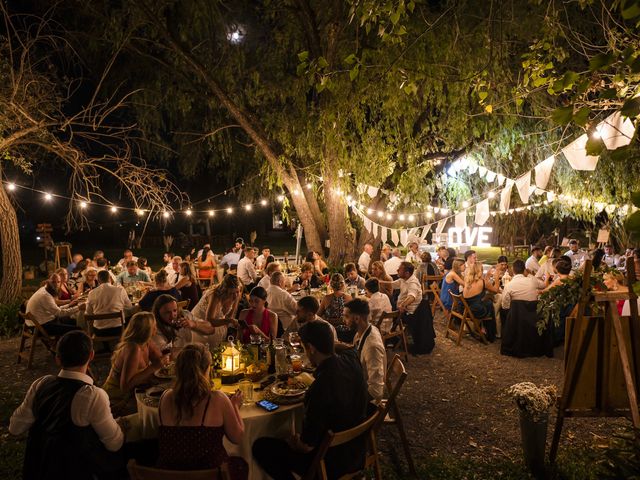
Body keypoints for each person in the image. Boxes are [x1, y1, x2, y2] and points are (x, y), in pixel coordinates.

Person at [252, 320, 368, 480]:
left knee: (261, 447)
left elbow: (305, 447)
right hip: (358, 449)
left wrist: (294, 442)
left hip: (331, 462)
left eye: (305, 348)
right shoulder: (352, 360)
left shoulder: (320, 388)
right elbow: (349, 348)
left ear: (311, 348)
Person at [9, 331, 125, 479]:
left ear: (58, 359)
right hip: (75, 471)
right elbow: (115, 444)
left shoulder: (41, 384)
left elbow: (15, 427)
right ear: (91, 356)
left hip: (38, 469)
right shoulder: (91, 395)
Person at [156, 344, 247, 477]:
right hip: (211, 475)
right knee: (240, 465)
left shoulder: (165, 398)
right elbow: (238, 437)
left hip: (170, 475)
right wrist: (234, 406)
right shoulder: (218, 399)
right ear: (206, 370)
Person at [102, 312, 167, 416]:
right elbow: (125, 386)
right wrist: (153, 367)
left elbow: (160, 359)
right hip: (117, 399)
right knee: (160, 408)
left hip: (134, 392)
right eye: (154, 326)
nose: (156, 328)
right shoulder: (133, 348)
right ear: (146, 330)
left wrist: (163, 358)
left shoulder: (146, 342)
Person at [344, 298, 386, 403]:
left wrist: (349, 401)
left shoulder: (372, 346)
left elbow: (376, 392)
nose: (343, 320)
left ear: (357, 319)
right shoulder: (367, 330)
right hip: (358, 382)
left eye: (346, 316)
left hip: (366, 403)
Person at [86, 270, 134, 338]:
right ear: (110, 278)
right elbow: (129, 306)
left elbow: (88, 313)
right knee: (132, 317)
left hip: (99, 331)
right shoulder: (120, 290)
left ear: (98, 280)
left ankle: (105, 346)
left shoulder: (91, 293)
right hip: (118, 329)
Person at [462, 263, 499, 341]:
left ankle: (484, 330)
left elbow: (482, 285)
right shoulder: (483, 282)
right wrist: (496, 278)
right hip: (476, 311)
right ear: (480, 270)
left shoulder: (467, 280)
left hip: (464, 309)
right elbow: (496, 290)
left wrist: (487, 276)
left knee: (487, 302)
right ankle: (490, 333)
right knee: (490, 304)